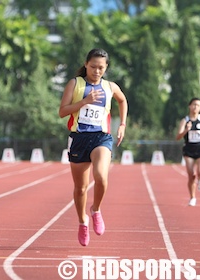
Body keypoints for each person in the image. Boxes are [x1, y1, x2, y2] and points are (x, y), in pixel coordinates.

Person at [58, 48, 128, 246]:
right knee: (80, 188)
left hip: (101, 137)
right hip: (79, 138)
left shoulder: (110, 87)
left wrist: (122, 124)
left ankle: (96, 209)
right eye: (93, 67)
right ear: (86, 64)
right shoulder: (75, 83)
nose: (96, 71)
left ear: (106, 68)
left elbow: (123, 101)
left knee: (101, 177)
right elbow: (62, 112)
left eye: (101, 68)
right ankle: (82, 222)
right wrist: (84, 102)